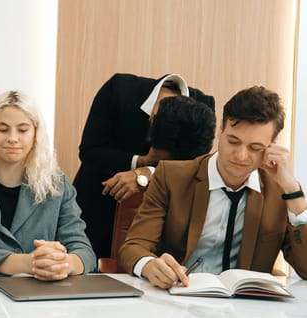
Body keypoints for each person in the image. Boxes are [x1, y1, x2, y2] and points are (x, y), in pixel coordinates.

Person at [118, 86, 307, 288]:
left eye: (255, 148)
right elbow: (133, 246)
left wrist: (293, 192)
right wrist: (149, 265)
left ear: (272, 146)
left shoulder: (281, 191)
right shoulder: (172, 177)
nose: (241, 156)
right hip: (178, 297)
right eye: (233, 141)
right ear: (221, 131)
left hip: (246, 307)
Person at [0, 91, 96, 280]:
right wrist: (30, 263)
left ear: (35, 134)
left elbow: (84, 252)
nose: (13, 138)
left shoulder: (58, 185)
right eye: (3, 129)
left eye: (22, 130)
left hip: (43, 298)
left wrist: (62, 263)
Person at [73, 73, 215, 258]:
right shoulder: (119, 90)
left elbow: (193, 168)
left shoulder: (203, 107)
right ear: (152, 115)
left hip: (157, 218)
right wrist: (142, 161)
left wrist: (148, 173)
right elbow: (90, 152)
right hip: (99, 204)